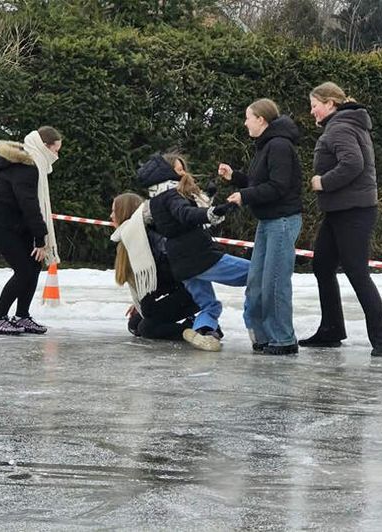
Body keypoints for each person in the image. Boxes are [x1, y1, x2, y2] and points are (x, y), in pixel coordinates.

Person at [300, 82, 382, 356]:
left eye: (314, 105)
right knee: (323, 265)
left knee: (356, 271)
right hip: (342, 209)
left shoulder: (340, 127)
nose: (312, 111)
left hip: (353, 211)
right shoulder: (346, 124)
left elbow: (353, 163)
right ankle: (331, 330)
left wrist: (323, 182)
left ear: (330, 104)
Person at [218, 98, 304, 356]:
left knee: (274, 282)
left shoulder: (278, 146)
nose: (245, 123)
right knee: (256, 283)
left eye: (248, 117)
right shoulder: (265, 146)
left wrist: (245, 196)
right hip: (268, 221)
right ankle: (263, 337)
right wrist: (235, 178)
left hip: (283, 221)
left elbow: (278, 186)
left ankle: (283, 339)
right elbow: (259, 182)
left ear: (261, 120)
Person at [141, 152, 246, 352]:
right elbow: (185, 213)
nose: (183, 174)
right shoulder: (171, 195)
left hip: (181, 265)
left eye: (183, 169)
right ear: (166, 172)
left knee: (209, 306)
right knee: (258, 272)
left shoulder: (155, 201)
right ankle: (257, 324)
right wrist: (212, 213)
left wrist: (210, 201)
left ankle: (204, 332)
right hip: (199, 257)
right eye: (178, 170)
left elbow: (185, 212)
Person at [0, 126, 62, 335]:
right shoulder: (28, 167)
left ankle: (22, 316)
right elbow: (29, 205)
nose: (57, 155)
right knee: (24, 270)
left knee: (34, 266)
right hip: (0, 224)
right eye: (56, 150)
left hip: (16, 224)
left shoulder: (32, 163)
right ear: (45, 147)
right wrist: (40, 239)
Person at [109, 192, 212, 350]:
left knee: (147, 327)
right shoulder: (130, 238)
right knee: (135, 324)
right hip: (177, 290)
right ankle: (189, 323)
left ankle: (196, 330)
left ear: (124, 213)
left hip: (191, 292)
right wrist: (142, 301)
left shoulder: (148, 239)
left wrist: (148, 299)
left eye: (114, 211)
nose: (111, 216)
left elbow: (169, 274)